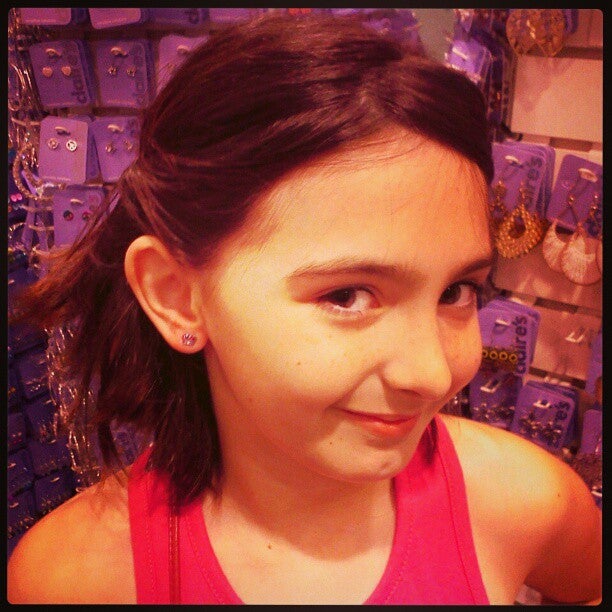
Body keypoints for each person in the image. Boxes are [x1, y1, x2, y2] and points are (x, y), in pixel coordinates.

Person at [7, 13, 601, 605]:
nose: (432, 374)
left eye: (456, 291)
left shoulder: (529, 504)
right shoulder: (73, 580)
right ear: (176, 297)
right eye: (347, 296)